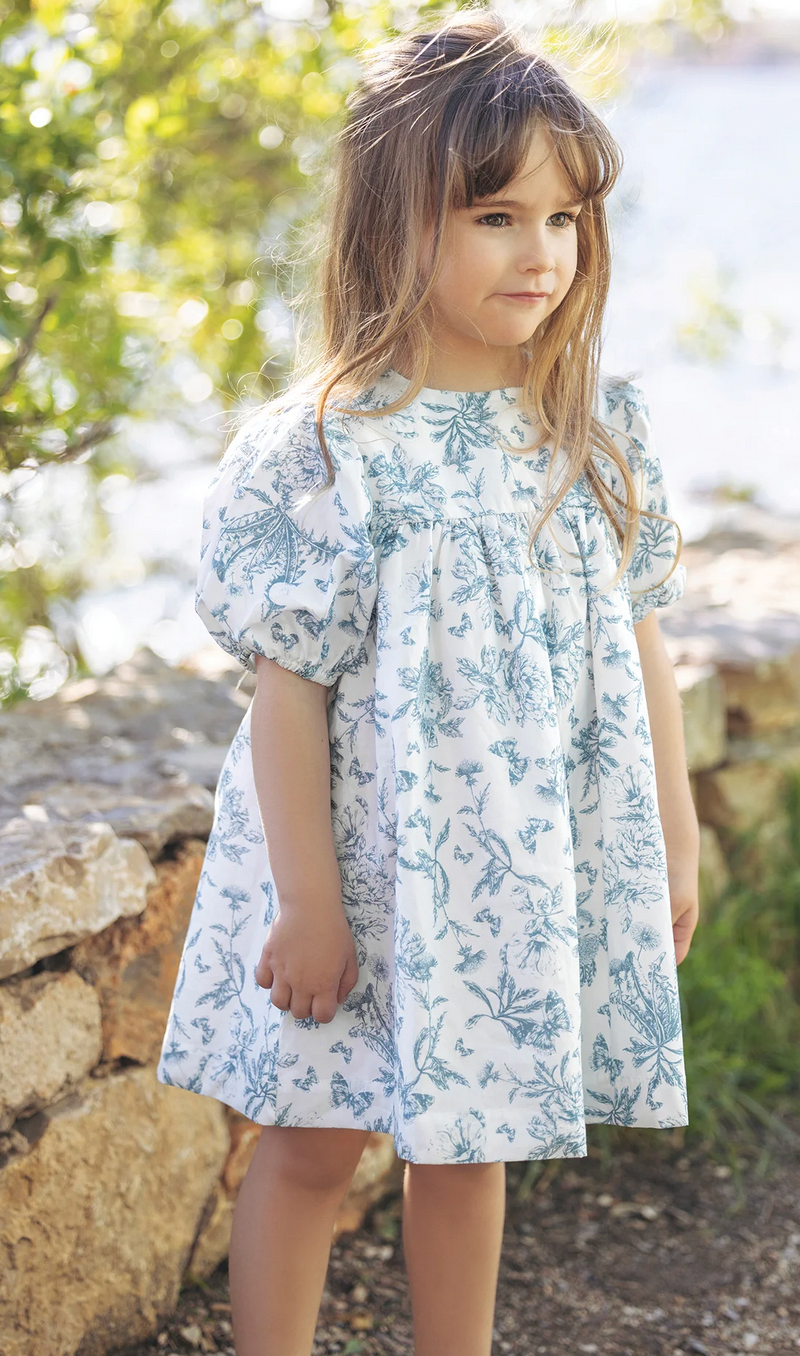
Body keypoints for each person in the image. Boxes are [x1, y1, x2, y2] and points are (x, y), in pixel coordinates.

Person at [156, 8, 700, 1354]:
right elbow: (291, 690)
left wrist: (672, 841)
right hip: (365, 863)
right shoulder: (335, 445)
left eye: (566, 220)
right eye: (499, 217)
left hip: (511, 870)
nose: (543, 254)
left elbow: (639, 641)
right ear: (402, 222)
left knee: (475, 1149)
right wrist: (309, 905)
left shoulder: (592, 425)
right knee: (312, 1146)